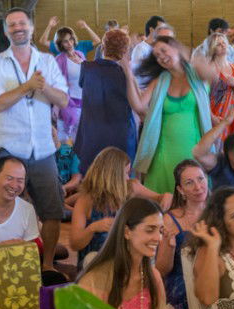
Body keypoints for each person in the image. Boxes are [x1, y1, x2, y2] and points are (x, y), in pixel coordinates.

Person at [0, 8, 68, 274]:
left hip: (42, 149)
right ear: (6, 31)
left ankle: (47, 265)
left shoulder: (47, 61)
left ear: (31, 27)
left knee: (52, 210)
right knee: (3, 208)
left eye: (22, 23)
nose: (18, 28)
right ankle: (9, 265)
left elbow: (63, 99)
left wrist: (44, 87)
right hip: (9, 149)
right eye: (12, 25)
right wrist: (27, 86)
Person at [126, 36, 212, 195]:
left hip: (194, 148)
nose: (161, 57)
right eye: (157, 55)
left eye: (163, 50)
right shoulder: (160, 81)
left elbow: (212, 74)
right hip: (163, 150)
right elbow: (138, 106)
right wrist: (128, 75)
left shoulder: (196, 73)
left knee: (194, 193)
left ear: (175, 47)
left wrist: (186, 55)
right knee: (163, 197)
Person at [70, 146, 169, 269]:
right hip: (96, 261)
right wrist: (93, 228)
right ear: (112, 175)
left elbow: (161, 197)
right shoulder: (86, 201)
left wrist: (165, 199)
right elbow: (74, 244)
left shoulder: (131, 188)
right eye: (126, 173)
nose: (128, 178)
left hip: (126, 257)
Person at [74, 29, 137, 174]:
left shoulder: (87, 68)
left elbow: (82, 84)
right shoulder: (126, 74)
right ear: (125, 51)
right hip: (120, 134)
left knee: (93, 176)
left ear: (103, 47)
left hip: (92, 133)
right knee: (119, 177)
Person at [156, 159, 209, 309]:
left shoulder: (220, 212)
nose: (198, 187)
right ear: (180, 189)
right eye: (189, 183)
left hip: (215, 279)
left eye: (200, 179)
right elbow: (161, 270)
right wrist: (169, 247)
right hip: (182, 287)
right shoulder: (169, 219)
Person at [198, 33, 234, 147]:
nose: (223, 45)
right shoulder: (210, 68)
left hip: (232, 115)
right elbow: (203, 97)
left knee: (233, 147)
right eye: (218, 44)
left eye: (224, 42)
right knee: (216, 148)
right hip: (216, 115)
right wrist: (212, 117)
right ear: (212, 48)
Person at [53, 26, 87, 143]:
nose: (69, 43)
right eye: (65, 41)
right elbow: (55, 85)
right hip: (68, 103)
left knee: (80, 139)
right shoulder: (59, 60)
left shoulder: (80, 55)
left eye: (71, 39)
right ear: (60, 44)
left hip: (83, 102)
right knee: (65, 141)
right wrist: (56, 107)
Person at [130, 16, 167, 88]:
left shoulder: (159, 47)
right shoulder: (140, 48)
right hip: (144, 89)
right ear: (151, 30)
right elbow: (138, 73)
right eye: (160, 29)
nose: (163, 32)